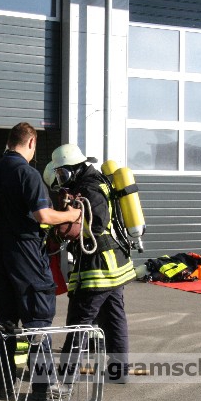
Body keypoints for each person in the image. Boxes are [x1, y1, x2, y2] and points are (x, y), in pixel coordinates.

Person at [0, 122, 81, 400]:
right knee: (38, 322)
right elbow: (43, 216)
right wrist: (72, 215)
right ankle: (41, 388)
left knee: (4, 323)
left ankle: (4, 385)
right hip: (26, 255)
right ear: (31, 143)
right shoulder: (27, 173)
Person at [50, 144, 137, 384]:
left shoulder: (89, 188)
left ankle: (67, 377)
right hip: (114, 266)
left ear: (73, 168)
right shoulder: (95, 182)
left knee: (78, 322)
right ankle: (119, 372)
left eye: (61, 173)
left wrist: (68, 223)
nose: (61, 178)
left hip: (98, 267)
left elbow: (97, 225)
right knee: (114, 319)